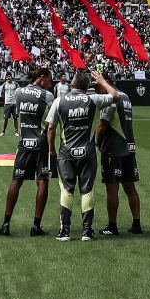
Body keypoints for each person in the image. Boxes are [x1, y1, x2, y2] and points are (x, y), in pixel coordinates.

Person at [45, 70, 120, 242]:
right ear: (87, 86)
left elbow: (50, 128)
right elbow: (115, 96)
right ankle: (87, 231)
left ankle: (65, 231)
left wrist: (51, 149)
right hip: (87, 152)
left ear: (72, 84)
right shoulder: (93, 99)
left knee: (66, 190)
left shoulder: (59, 101)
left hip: (66, 153)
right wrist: (102, 81)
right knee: (87, 191)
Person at [0, 67, 54, 237]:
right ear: (42, 77)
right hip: (41, 143)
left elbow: (19, 113)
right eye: (50, 81)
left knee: (16, 180)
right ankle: (35, 226)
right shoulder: (48, 96)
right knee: (43, 181)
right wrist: (52, 148)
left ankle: (6, 224)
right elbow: (51, 123)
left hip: (24, 142)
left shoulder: (19, 92)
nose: (50, 85)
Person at [97, 85, 141, 236]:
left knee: (112, 188)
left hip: (113, 149)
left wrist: (98, 142)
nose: (97, 92)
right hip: (129, 147)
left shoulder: (110, 100)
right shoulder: (126, 97)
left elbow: (102, 126)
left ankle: (112, 225)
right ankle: (136, 223)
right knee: (130, 187)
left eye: (97, 88)